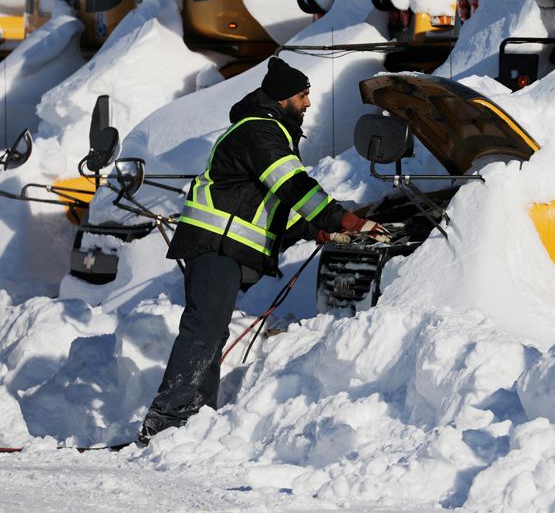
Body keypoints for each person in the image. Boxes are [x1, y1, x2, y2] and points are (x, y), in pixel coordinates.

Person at [138, 56, 388, 445]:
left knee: (212, 331)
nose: (308, 103)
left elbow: (272, 209)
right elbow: (292, 186)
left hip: (223, 245)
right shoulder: (261, 132)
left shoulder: (268, 132)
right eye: (304, 95)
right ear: (283, 97)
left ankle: (195, 417)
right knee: (203, 330)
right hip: (215, 243)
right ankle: (167, 419)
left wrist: (316, 231)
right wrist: (342, 220)